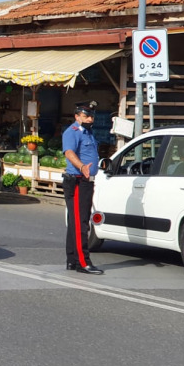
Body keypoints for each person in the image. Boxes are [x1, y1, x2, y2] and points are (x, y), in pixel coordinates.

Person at [62, 100, 103, 275]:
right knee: (81, 223)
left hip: (86, 180)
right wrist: (81, 167)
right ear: (77, 116)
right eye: (86, 116)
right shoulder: (72, 132)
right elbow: (69, 152)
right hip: (78, 180)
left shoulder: (88, 133)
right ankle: (82, 261)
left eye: (91, 116)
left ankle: (72, 259)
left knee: (76, 221)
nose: (90, 119)